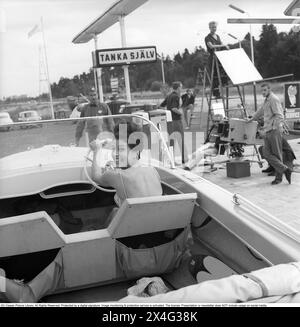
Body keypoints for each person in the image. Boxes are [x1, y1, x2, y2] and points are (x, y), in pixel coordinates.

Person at [90, 122, 163, 211]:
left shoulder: (117, 175)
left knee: (111, 211)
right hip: (158, 219)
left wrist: (96, 150)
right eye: (113, 149)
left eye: (120, 149)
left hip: (134, 222)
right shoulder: (152, 170)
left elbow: (96, 177)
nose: (114, 154)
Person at [248, 83, 293, 185]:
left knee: (277, 154)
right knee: (267, 153)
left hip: (274, 131)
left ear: (269, 90)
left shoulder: (273, 99)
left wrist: (274, 127)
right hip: (268, 131)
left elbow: (280, 116)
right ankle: (285, 170)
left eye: (264, 90)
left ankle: (279, 178)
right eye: (262, 91)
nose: (263, 92)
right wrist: (251, 119)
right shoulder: (267, 100)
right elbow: (261, 111)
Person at [160, 81, 188, 164]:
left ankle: (171, 160)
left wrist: (166, 113)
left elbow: (161, 105)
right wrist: (181, 113)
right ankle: (184, 159)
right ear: (178, 88)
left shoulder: (169, 96)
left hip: (169, 121)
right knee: (180, 140)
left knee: (171, 141)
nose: (182, 89)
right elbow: (174, 108)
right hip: (176, 121)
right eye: (181, 87)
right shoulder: (176, 96)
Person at [205, 21, 229, 98]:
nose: (214, 28)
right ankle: (216, 94)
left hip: (219, 57)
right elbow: (211, 46)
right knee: (215, 76)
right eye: (212, 27)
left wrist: (225, 47)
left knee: (223, 71)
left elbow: (221, 45)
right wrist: (222, 45)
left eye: (215, 27)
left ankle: (225, 82)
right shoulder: (207, 37)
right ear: (209, 28)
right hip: (213, 58)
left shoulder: (217, 36)